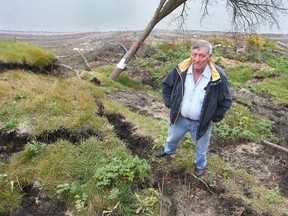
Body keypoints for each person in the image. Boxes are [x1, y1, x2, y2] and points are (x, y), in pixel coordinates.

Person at [155, 39, 233, 177]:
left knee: (201, 147)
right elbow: (166, 85)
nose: (197, 59)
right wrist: (169, 103)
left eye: (201, 55)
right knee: (172, 137)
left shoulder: (218, 75)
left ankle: (200, 165)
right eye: (194, 54)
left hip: (201, 123)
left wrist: (214, 117)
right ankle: (168, 150)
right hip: (179, 118)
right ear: (190, 54)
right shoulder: (180, 69)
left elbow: (226, 101)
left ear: (209, 57)